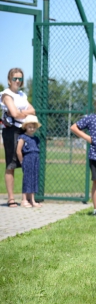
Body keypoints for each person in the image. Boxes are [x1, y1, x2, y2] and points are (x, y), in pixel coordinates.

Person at [1, 68, 37, 208]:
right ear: (9, 80)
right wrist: (22, 113)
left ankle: (27, 198)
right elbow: (14, 114)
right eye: (15, 78)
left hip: (24, 130)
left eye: (20, 79)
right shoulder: (6, 94)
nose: (18, 81)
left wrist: (19, 112)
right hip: (11, 131)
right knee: (11, 164)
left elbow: (32, 110)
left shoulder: (22, 95)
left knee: (26, 163)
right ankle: (11, 198)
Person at [16, 115, 42, 208]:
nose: (32, 129)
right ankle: (24, 200)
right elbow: (18, 150)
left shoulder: (36, 138)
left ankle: (32, 200)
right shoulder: (23, 137)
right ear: (25, 126)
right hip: (27, 159)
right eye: (30, 127)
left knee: (34, 178)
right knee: (27, 179)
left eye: (34, 127)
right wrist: (22, 161)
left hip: (35, 159)